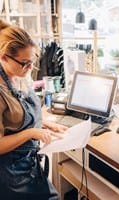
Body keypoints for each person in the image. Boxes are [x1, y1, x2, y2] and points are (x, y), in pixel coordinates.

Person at [0, 20, 67, 199]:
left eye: (32, 61)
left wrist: (43, 123)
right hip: (10, 175)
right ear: (4, 56)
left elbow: (16, 118)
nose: (30, 68)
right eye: (24, 63)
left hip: (29, 166)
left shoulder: (18, 76)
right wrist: (31, 133)